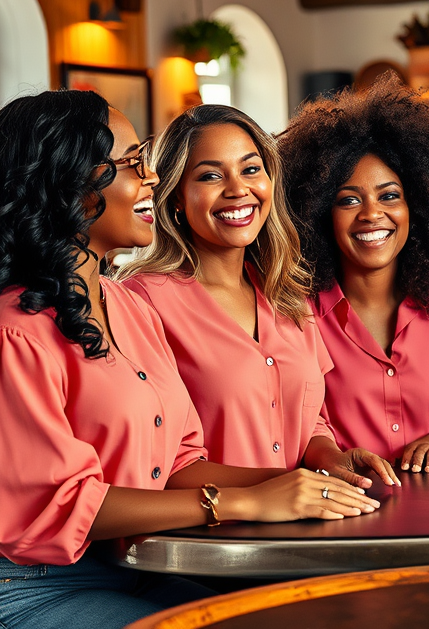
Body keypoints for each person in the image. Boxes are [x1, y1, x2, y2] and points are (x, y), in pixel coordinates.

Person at [0, 91, 379, 629]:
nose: (151, 178)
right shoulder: (9, 333)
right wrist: (238, 504)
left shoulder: (127, 308)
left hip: (127, 567)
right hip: (27, 586)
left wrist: (297, 484)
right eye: (132, 164)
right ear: (66, 185)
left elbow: (179, 463)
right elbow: (48, 509)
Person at [120, 105, 397, 488]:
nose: (238, 189)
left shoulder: (287, 293)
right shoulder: (141, 301)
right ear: (177, 197)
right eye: (211, 176)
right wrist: (280, 486)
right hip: (207, 539)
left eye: (251, 170)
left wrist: (331, 458)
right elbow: (153, 459)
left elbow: (309, 419)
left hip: (300, 528)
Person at [277, 74, 429, 473]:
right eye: (349, 200)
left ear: (417, 206)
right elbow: (303, 420)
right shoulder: (296, 309)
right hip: (341, 505)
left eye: (389, 196)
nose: (372, 214)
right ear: (320, 215)